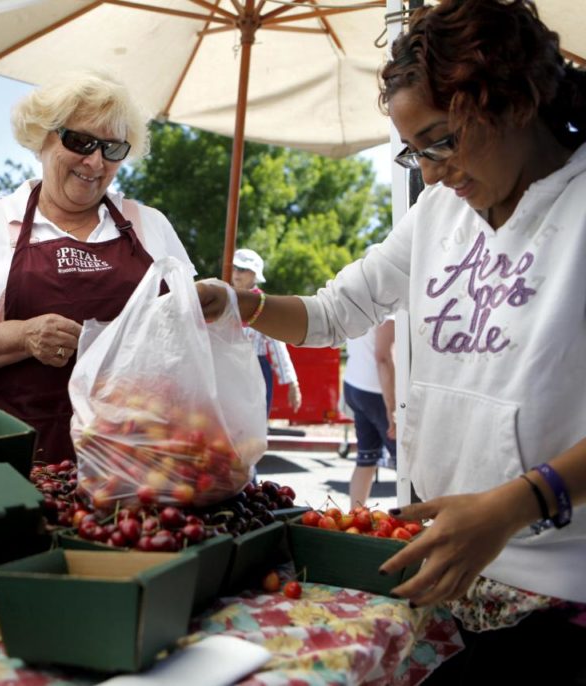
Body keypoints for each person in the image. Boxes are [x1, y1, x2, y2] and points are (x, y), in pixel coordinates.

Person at [197, 0, 585, 680]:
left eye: (441, 141)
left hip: (558, 593)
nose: (430, 173)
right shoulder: (438, 212)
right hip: (442, 566)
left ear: (513, 101)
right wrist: (239, 303)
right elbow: (332, 312)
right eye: (415, 151)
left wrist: (516, 505)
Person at [0, 71, 194, 464]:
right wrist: (24, 336)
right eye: (80, 141)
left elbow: (192, 338)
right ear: (42, 138)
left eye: (112, 149)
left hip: (136, 464)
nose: (95, 161)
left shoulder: (150, 224)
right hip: (16, 458)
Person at [230, 248, 302, 417]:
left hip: (255, 370)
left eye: (242, 269)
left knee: (254, 423)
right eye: (234, 267)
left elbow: (277, 346)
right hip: (228, 368)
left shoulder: (263, 304)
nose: (236, 273)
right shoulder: (224, 297)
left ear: (254, 274)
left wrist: (292, 383)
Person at [342, 318, 396, 510]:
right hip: (377, 391)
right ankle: (415, 525)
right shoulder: (392, 307)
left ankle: (354, 518)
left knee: (366, 458)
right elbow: (383, 356)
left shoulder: (365, 293)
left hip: (354, 383)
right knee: (407, 464)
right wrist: (392, 408)